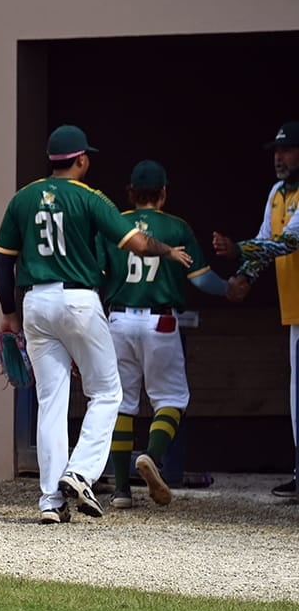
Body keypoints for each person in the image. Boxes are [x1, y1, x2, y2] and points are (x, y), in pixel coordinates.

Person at [0, 125, 192, 523]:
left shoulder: (23, 197)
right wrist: (168, 249)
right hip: (78, 299)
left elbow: (3, 260)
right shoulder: (90, 197)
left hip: (35, 301)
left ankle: (51, 501)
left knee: (51, 401)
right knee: (106, 392)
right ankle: (80, 471)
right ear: (81, 159)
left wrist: (8, 314)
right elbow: (136, 242)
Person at [101, 161, 227, 509]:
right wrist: (231, 288)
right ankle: (152, 457)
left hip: (119, 321)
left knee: (122, 402)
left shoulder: (116, 225)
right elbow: (202, 280)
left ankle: (122, 491)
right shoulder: (177, 227)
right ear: (164, 193)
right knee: (171, 398)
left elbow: (98, 272)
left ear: (130, 192)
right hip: (161, 323)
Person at [209, 121, 299, 497]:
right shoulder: (277, 192)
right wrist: (243, 277)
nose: (278, 158)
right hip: (294, 309)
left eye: (287, 150)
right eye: (276, 151)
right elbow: (266, 240)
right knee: (296, 396)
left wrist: (237, 250)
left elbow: (287, 243)